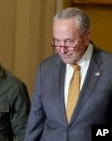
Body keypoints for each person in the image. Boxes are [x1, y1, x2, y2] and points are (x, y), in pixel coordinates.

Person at [24, 7, 112, 141]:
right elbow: (36, 122)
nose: (62, 50)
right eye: (57, 41)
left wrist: (92, 136)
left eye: (69, 41)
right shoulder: (46, 69)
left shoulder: (109, 67)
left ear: (87, 36)